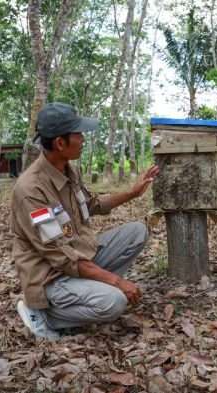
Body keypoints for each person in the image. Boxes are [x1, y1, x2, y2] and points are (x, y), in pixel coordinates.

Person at [10, 102, 160, 339]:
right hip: (52, 275)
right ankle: (44, 315)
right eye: (78, 134)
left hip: (80, 257)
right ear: (60, 143)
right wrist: (117, 281)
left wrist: (133, 192)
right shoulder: (31, 190)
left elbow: (93, 205)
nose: (83, 139)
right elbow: (61, 257)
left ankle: (92, 291)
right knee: (114, 303)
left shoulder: (68, 171)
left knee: (137, 232)